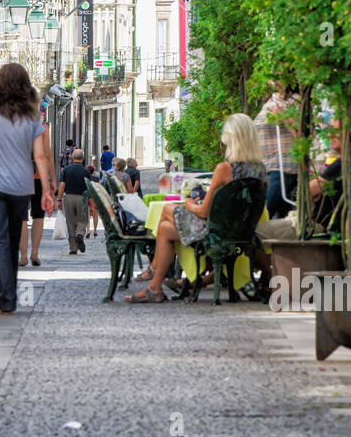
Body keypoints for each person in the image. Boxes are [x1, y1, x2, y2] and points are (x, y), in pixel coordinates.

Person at [126, 114, 267, 303]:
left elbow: (203, 212)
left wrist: (190, 203)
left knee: (167, 209)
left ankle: (154, 278)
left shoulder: (225, 169)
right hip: (245, 229)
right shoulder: (260, 169)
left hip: (216, 233)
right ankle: (155, 286)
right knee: (165, 229)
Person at [0, 63, 55, 315]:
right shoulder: (32, 116)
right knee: (13, 239)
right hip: (22, 187)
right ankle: (8, 295)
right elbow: (40, 156)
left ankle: (7, 298)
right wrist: (47, 189)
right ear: (25, 86)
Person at [256, 83, 300, 219]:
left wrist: (285, 117)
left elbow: (301, 136)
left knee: (261, 215)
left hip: (282, 168)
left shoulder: (295, 101)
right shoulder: (270, 100)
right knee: (281, 219)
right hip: (267, 168)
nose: (275, 79)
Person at [20, 108, 57, 267]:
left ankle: (22, 256)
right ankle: (34, 253)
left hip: (19, 177)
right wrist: (52, 178)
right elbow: (46, 154)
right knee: (38, 215)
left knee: (21, 217)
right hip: (38, 176)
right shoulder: (41, 127)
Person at [57, 148, 91, 254]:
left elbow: (62, 186)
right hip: (82, 198)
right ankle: (80, 234)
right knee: (82, 219)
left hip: (69, 198)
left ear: (72, 158)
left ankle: (73, 248)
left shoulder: (66, 170)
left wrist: (59, 200)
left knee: (70, 222)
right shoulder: (86, 171)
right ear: (83, 158)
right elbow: (89, 187)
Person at [85, 164, 101, 237]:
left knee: (87, 215)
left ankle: (88, 230)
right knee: (95, 215)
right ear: (93, 171)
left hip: (87, 197)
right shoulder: (97, 179)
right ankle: (95, 230)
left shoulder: (84, 179)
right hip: (94, 198)